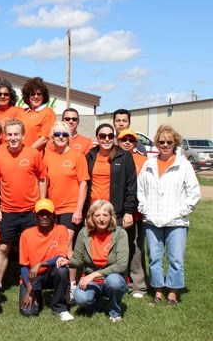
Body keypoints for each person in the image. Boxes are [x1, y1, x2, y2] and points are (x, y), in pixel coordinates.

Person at [138, 125, 201, 306]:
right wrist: (145, 208)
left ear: (175, 143)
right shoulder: (148, 164)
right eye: (161, 141)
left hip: (177, 222)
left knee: (175, 258)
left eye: (169, 142)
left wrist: (182, 211)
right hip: (152, 220)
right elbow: (140, 189)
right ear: (156, 143)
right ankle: (157, 292)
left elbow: (194, 193)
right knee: (155, 258)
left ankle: (172, 294)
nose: (165, 145)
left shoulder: (183, 165)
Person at [0, 119, 46, 294]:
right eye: (10, 135)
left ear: (23, 135)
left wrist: (41, 204)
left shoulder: (33, 154)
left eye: (16, 134)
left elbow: (42, 178)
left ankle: (31, 283)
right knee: (3, 247)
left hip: (30, 211)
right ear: (4, 136)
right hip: (7, 211)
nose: (13, 138)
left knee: (31, 249)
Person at [85, 123, 137, 284]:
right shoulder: (90, 155)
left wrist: (129, 211)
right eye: (102, 136)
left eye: (110, 136)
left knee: (116, 247)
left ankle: (120, 280)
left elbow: (131, 185)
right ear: (97, 137)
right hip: (94, 211)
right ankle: (95, 279)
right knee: (96, 246)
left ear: (114, 137)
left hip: (116, 212)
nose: (106, 139)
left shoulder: (124, 156)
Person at [62, 200, 129, 323]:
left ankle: (115, 311)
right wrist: (67, 262)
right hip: (91, 281)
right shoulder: (84, 233)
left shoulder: (120, 233)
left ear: (111, 217)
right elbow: (78, 259)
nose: (101, 219)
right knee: (80, 298)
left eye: (105, 215)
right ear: (91, 217)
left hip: (112, 278)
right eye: (97, 215)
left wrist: (93, 275)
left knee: (114, 282)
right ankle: (98, 304)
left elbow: (121, 265)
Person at [43, 121, 89, 298]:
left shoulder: (78, 156)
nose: (60, 137)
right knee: (54, 247)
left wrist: (78, 210)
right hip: (52, 209)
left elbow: (83, 184)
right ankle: (57, 282)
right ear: (52, 138)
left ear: (69, 137)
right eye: (57, 134)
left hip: (70, 208)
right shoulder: (47, 156)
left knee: (67, 245)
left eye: (64, 134)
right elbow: (44, 182)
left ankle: (71, 285)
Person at [18, 199, 74, 321]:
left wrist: (40, 264)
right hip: (33, 277)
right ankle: (39, 297)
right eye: (41, 214)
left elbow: (61, 256)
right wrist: (29, 289)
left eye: (48, 213)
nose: (44, 217)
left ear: (53, 215)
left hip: (51, 273)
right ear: (35, 215)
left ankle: (60, 308)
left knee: (62, 270)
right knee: (28, 312)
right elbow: (23, 265)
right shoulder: (26, 234)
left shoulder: (61, 230)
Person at [117, 128, 148, 298]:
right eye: (124, 139)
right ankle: (121, 281)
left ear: (136, 143)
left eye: (131, 139)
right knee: (119, 248)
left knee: (136, 247)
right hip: (118, 212)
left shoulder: (143, 161)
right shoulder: (113, 157)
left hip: (136, 213)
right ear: (118, 141)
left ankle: (138, 286)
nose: (127, 142)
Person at [18, 77, 55, 151]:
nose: (36, 96)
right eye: (32, 94)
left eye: (39, 94)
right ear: (28, 97)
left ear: (43, 96)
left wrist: (28, 151)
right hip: (19, 154)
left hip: (34, 155)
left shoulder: (48, 112)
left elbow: (44, 138)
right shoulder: (23, 112)